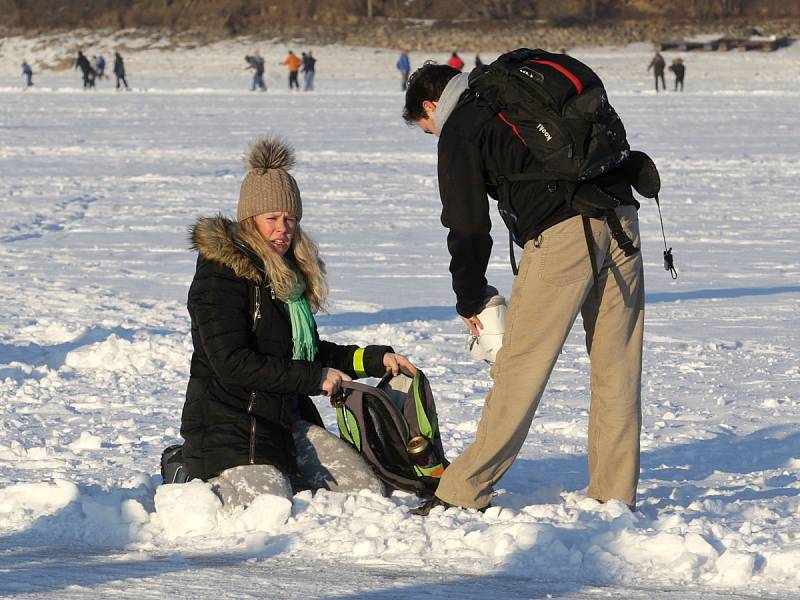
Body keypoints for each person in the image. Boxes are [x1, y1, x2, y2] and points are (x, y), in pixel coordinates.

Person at [402, 64, 644, 515]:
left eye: (427, 128)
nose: (435, 136)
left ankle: (463, 490)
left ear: (432, 105)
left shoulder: (462, 124)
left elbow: (468, 224)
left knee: (519, 368)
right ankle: (614, 497)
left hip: (563, 235)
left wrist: (470, 296)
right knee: (618, 367)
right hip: (622, 218)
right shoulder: (515, 91)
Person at [180, 135, 418, 509]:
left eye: (290, 219)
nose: (283, 229)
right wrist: (313, 378)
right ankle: (181, 468)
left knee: (363, 491)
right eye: (271, 218)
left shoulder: (286, 277)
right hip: (226, 423)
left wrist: (372, 360)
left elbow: (306, 352)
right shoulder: (219, 276)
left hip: (283, 419)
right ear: (249, 221)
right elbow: (230, 362)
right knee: (269, 503)